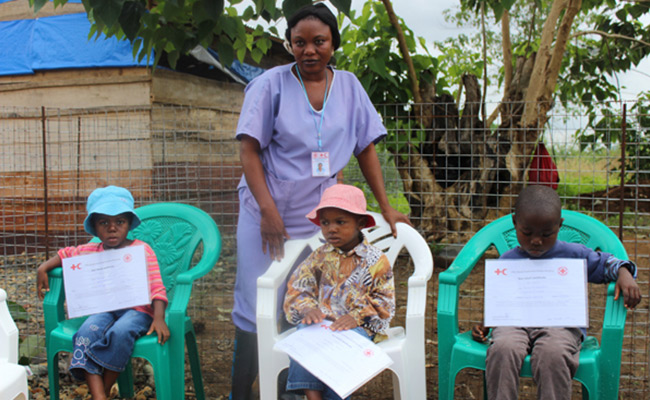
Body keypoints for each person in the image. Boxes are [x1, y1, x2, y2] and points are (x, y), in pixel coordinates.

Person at [230, 3, 410, 399]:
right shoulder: (269, 85)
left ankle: (289, 389)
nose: (309, 50)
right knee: (257, 301)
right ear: (289, 43)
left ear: (333, 43)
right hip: (268, 212)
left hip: (320, 219)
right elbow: (249, 150)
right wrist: (268, 211)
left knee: (308, 299)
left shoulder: (348, 86)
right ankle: (241, 393)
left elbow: (366, 148)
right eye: (300, 42)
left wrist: (387, 205)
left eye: (319, 41)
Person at [471, 185, 642, 400]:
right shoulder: (507, 261)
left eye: (546, 234)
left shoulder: (574, 254)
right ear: (515, 223)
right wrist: (488, 322)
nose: (536, 240)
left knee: (552, 353)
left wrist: (624, 273)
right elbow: (503, 301)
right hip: (515, 324)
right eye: (527, 232)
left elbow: (608, 263)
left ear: (559, 226)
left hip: (560, 326)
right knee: (503, 348)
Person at [37, 186, 169, 400]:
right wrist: (43, 267)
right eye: (104, 222)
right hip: (103, 310)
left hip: (138, 311)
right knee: (86, 333)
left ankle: (101, 394)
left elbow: (156, 285)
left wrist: (160, 317)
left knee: (121, 332)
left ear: (128, 224)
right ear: (95, 227)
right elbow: (66, 254)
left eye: (119, 222)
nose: (112, 228)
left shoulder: (141, 250)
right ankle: (100, 396)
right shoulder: (90, 251)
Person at [283, 184, 395, 400]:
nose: (331, 229)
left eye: (340, 222)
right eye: (325, 223)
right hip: (321, 324)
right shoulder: (319, 256)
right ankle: (312, 396)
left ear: (360, 223)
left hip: (357, 328)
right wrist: (308, 310)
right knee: (303, 339)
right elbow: (298, 287)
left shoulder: (375, 260)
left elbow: (384, 300)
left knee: (339, 354)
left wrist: (356, 316)